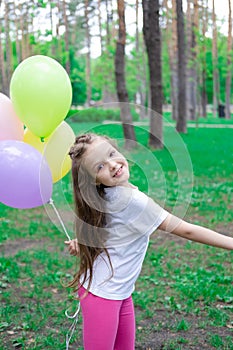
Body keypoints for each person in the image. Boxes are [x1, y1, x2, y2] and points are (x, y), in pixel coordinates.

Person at [65, 132, 233, 350]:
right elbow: (186, 231)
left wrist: (85, 241)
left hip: (120, 291)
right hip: (103, 295)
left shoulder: (110, 192)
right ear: (94, 180)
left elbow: (110, 228)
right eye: (99, 167)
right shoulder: (133, 201)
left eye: (112, 154)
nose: (113, 165)